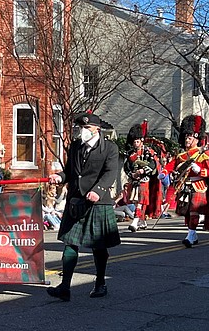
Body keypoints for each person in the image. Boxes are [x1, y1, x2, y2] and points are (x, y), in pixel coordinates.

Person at [46, 111, 120, 301]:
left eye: (87, 128)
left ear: (97, 129)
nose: (83, 131)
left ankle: (100, 283)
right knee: (70, 243)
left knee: (99, 247)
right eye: (81, 127)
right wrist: (59, 177)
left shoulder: (109, 148)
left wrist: (98, 190)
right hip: (76, 200)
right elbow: (70, 171)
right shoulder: (76, 146)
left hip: (97, 202)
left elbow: (110, 173)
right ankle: (65, 287)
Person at [161, 115, 209, 247]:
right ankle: (193, 234)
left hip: (199, 185)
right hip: (184, 185)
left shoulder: (204, 154)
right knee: (187, 211)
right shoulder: (181, 155)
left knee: (194, 210)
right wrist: (163, 172)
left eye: (190, 137)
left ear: (196, 138)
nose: (187, 139)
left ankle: (191, 235)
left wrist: (199, 170)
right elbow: (172, 164)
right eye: (186, 136)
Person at [123, 124, 158, 232]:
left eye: (137, 141)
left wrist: (143, 170)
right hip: (134, 181)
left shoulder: (148, 152)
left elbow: (153, 164)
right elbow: (126, 167)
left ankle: (135, 221)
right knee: (135, 201)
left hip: (144, 180)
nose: (135, 144)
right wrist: (131, 174)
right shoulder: (131, 154)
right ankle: (142, 221)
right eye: (134, 142)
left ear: (141, 141)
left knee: (140, 202)